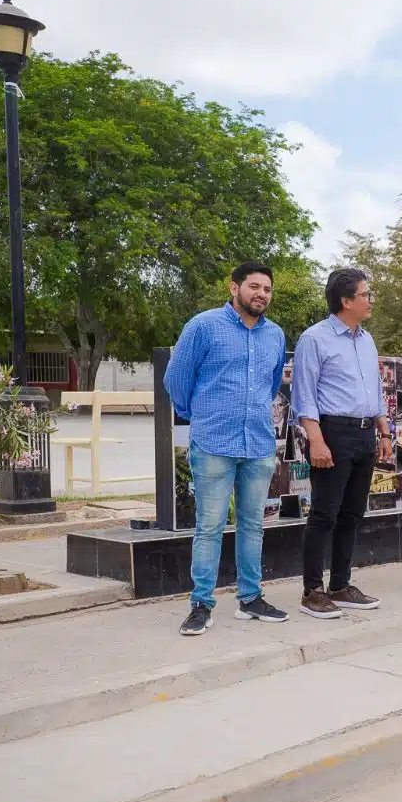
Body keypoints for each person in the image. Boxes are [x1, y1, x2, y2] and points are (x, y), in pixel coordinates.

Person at [163, 261, 290, 635]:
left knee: (253, 525)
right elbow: (177, 380)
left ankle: (250, 599)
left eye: (267, 289)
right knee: (209, 526)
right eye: (253, 287)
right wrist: (199, 415)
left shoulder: (275, 335)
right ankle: (201, 604)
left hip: (258, 443)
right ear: (234, 288)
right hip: (215, 442)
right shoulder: (203, 327)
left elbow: (270, 386)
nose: (261, 294)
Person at [290, 266, 392, 619]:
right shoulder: (315, 339)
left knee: (353, 513)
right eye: (365, 295)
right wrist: (317, 443)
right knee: (324, 514)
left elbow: (375, 391)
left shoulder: (366, 339)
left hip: (364, 433)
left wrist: (384, 431)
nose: (370, 300)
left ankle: (341, 585)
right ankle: (312, 591)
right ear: (346, 301)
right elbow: (304, 398)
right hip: (332, 433)